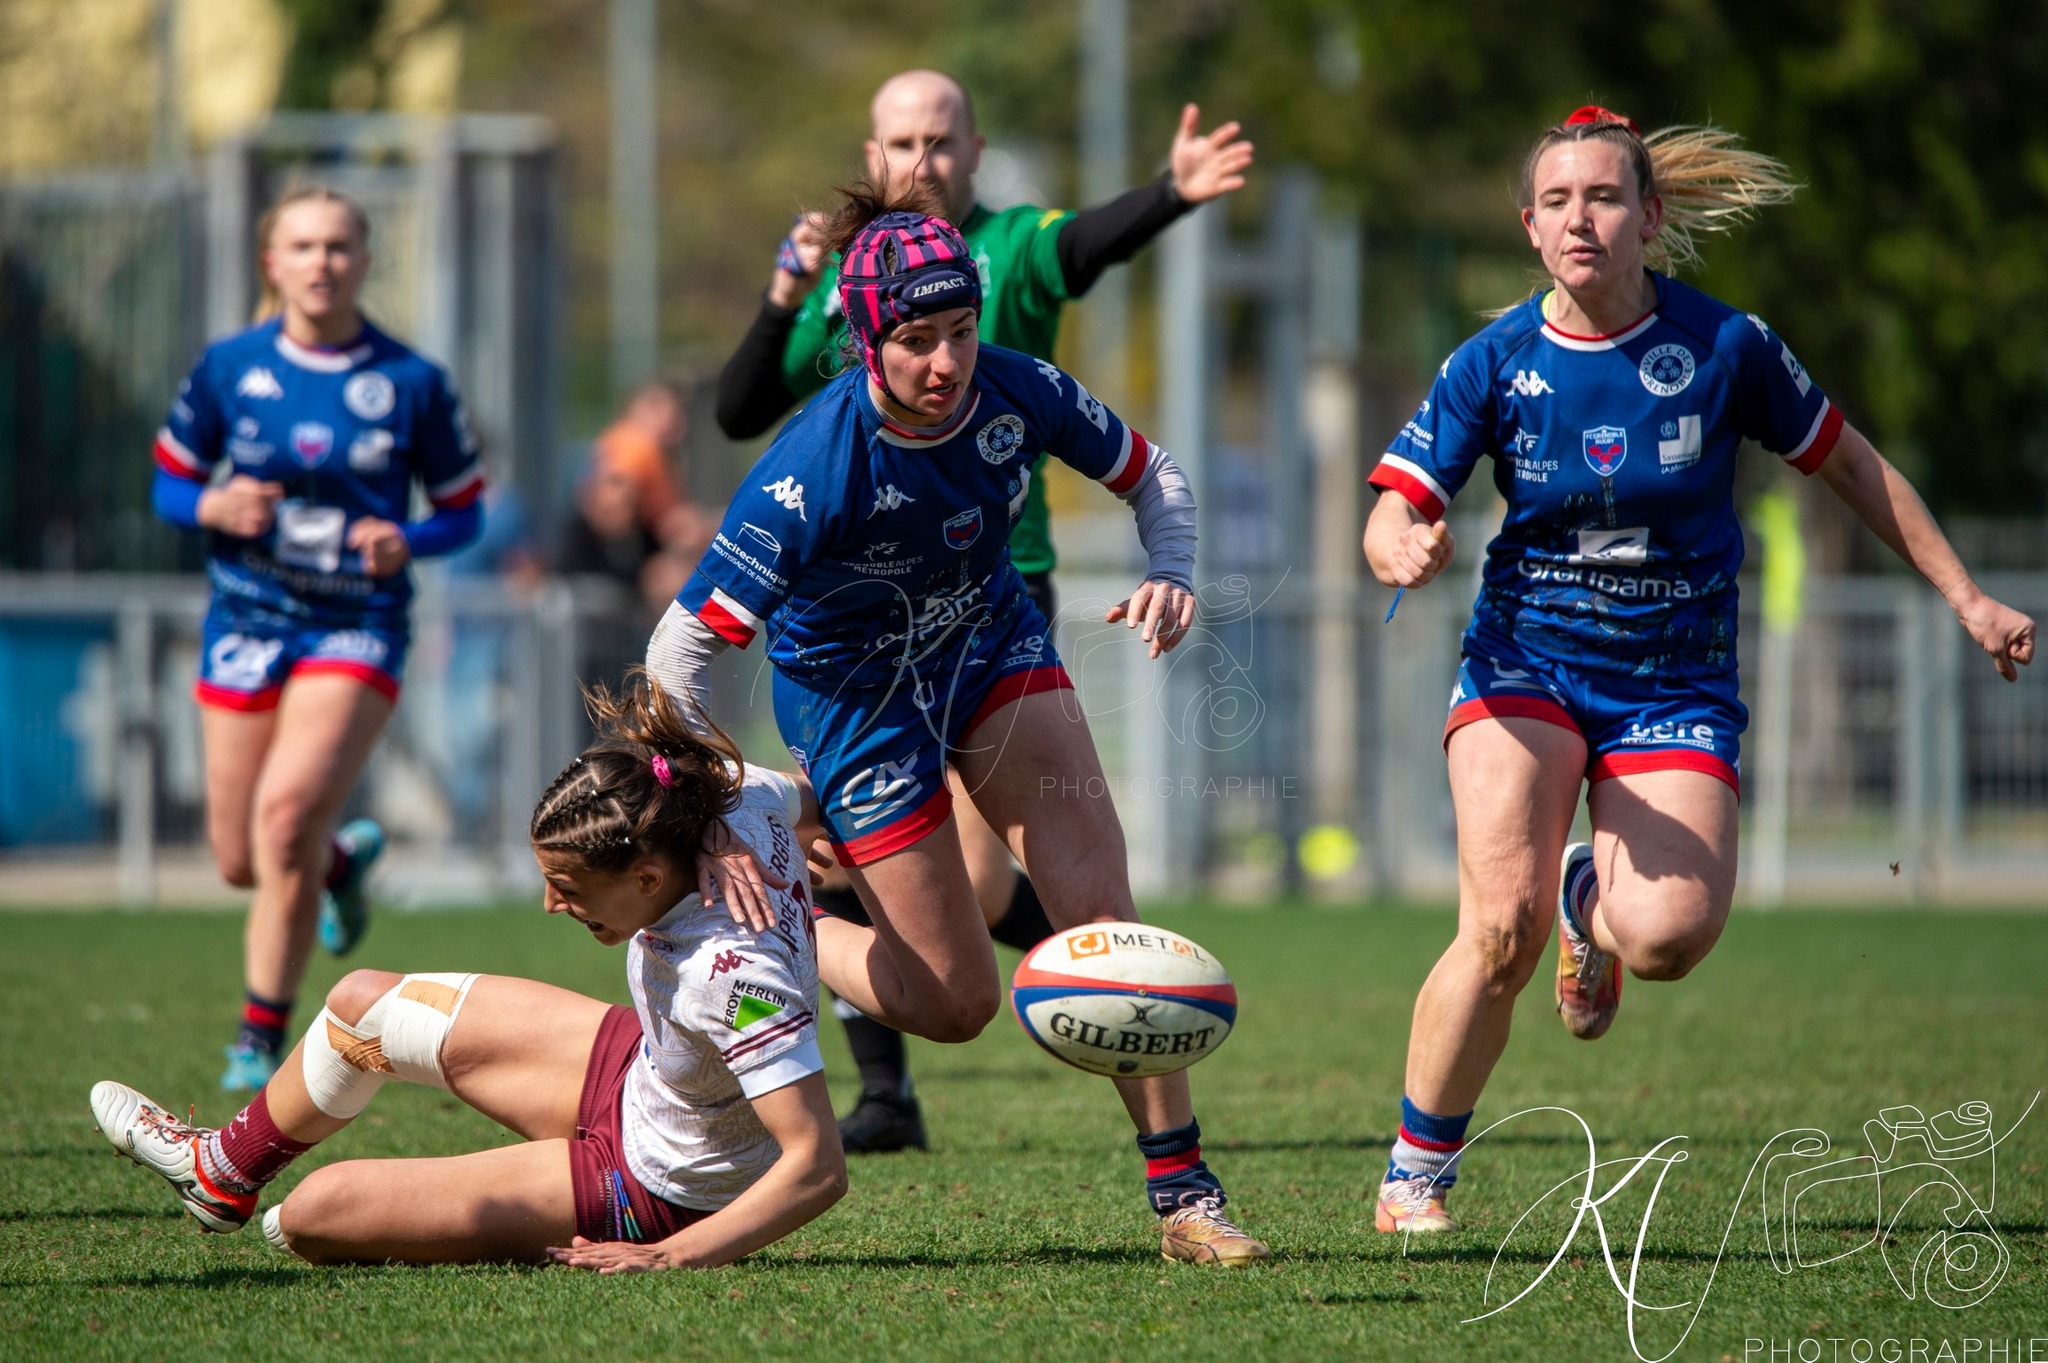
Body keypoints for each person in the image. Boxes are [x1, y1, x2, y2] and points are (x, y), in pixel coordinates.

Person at [1360, 107, 2037, 1235]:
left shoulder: (1727, 347)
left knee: (1666, 937)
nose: (1582, 219)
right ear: (1529, 228)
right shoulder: (1491, 362)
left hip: (1673, 680)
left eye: (1606, 197)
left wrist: (1965, 595)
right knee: (1498, 925)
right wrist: (1401, 543)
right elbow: (1392, 511)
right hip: (1522, 658)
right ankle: (1415, 1171)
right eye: (1559, 202)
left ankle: (1597, 899)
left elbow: (1853, 468)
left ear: (1650, 215)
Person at [650, 192, 1268, 1267]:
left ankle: (1184, 1197)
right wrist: (702, 818)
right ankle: (794, 921)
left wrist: (1171, 569)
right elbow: (676, 655)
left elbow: (1151, 473)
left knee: (1102, 917)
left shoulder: (1015, 390)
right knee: (953, 1001)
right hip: (856, 707)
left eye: (960, 331)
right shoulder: (813, 467)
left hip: (989, 652)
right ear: (864, 339)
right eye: (915, 340)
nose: (946, 362)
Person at [90, 673, 845, 1270]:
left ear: (649, 877)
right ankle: (221, 1171)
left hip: (666, 1188)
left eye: (573, 887)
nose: (554, 905)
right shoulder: (728, 804)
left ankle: (240, 1183)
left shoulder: (731, 973)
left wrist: (671, 1252)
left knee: (311, 1216)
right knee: (361, 1002)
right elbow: (823, 800)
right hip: (644, 1076)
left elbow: (815, 1164)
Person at [150, 185, 486, 1092]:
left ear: (365, 260)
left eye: (339, 246)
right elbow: (169, 484)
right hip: (247, 619)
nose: (322, 262)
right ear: (273, 262)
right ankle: (344, 862)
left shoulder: (412, 381)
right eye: (302, 246)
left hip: (356, 625)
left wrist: (404, 541)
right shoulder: (229, 368)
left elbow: (464, 512)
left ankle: (259, 1033)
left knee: (285, 817)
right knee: (239, 857)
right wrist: (213, 503)